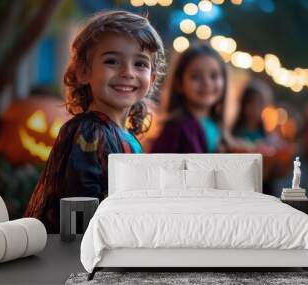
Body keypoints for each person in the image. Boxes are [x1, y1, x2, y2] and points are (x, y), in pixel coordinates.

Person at [24, 11, 165, 233]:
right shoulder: (89, 131)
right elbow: (80, 207)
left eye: (140, 64)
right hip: (76, 252)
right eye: (112, 61)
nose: (127, 72)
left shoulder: (128, 138)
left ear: (152, 79)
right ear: (83, 72)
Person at [151, 42, 227, 153]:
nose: (206, 83)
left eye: (214, 76)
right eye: (195, 77)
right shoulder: (175, 128)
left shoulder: (217, 126)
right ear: (179, 84)